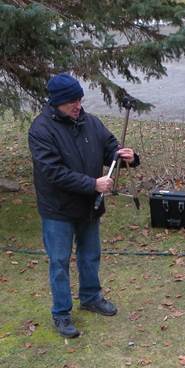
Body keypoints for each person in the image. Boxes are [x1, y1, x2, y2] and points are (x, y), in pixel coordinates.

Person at [28, 73, 139, 338]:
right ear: (56, 103)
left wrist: (127, 157)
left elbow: (110, 147)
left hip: (89, 206)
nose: (77, 105)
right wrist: (93, 184)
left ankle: (90, 297)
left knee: (90, 255)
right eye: (70, 102)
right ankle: (62, 313)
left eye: (79, 99)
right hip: (58, 209)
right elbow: (53, 172)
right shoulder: (41, 130)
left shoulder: (90, 122)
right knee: (59, 262)